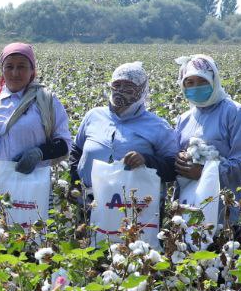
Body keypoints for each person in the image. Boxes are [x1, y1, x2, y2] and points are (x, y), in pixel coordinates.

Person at [0, 42, 71, 187]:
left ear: (32, 70)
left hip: (32, 186)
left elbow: (64, 144)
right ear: (2, 70)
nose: (15, 73)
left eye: (21, 66)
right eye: (9, 67)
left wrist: (39, 153)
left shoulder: (46, 101)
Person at [173, 54, 241, 237]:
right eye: (189, 82)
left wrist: (204, 172)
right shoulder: (184, 119)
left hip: (226, 213)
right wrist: (180, 159)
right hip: (191, 209)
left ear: (214, 80)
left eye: (201, 81)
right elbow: (177, 156)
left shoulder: (235, 113)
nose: (195, 87)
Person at [69, 61, 178, 202]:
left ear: (142, 90)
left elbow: (173, 168)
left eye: (129, 87)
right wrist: (75, 183)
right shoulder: (93, 116)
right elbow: (76, 152)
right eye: (117, 85)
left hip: (136, 207)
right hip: (90, 203)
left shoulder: (158, 126)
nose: (120, 90)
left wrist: (146, 160)